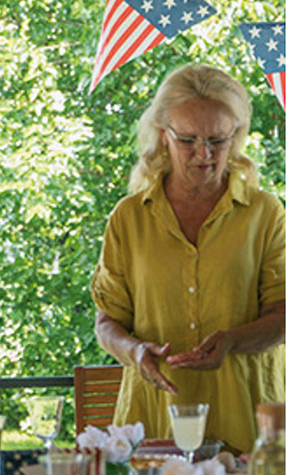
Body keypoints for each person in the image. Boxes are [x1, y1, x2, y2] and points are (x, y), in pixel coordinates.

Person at [91, 64, 285, 455]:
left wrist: (231, 342)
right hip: (153, 422)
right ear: (163, 136)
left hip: (246, 419)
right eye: (188, 140)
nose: (204, 154)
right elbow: (107, 322)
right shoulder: (129, 217)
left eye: (218, 139)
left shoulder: (266, 213)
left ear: (237, 137)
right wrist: (134, 351)